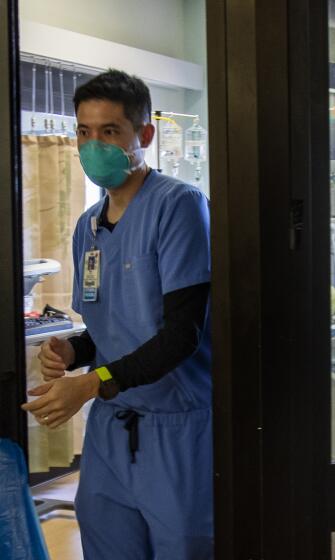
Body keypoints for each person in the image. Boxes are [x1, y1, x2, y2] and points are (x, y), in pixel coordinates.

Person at [22, 70, 213, 559]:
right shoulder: (89, 225)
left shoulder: (179, 206)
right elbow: (106, 328)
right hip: (112, 424)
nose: (94, 145)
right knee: (107, 545)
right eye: (84, 132)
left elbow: (181, 335)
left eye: (110, 131)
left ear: (142, 135)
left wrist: (89, 382)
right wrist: (72, 349)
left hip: (176, 429)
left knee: (181, 547)